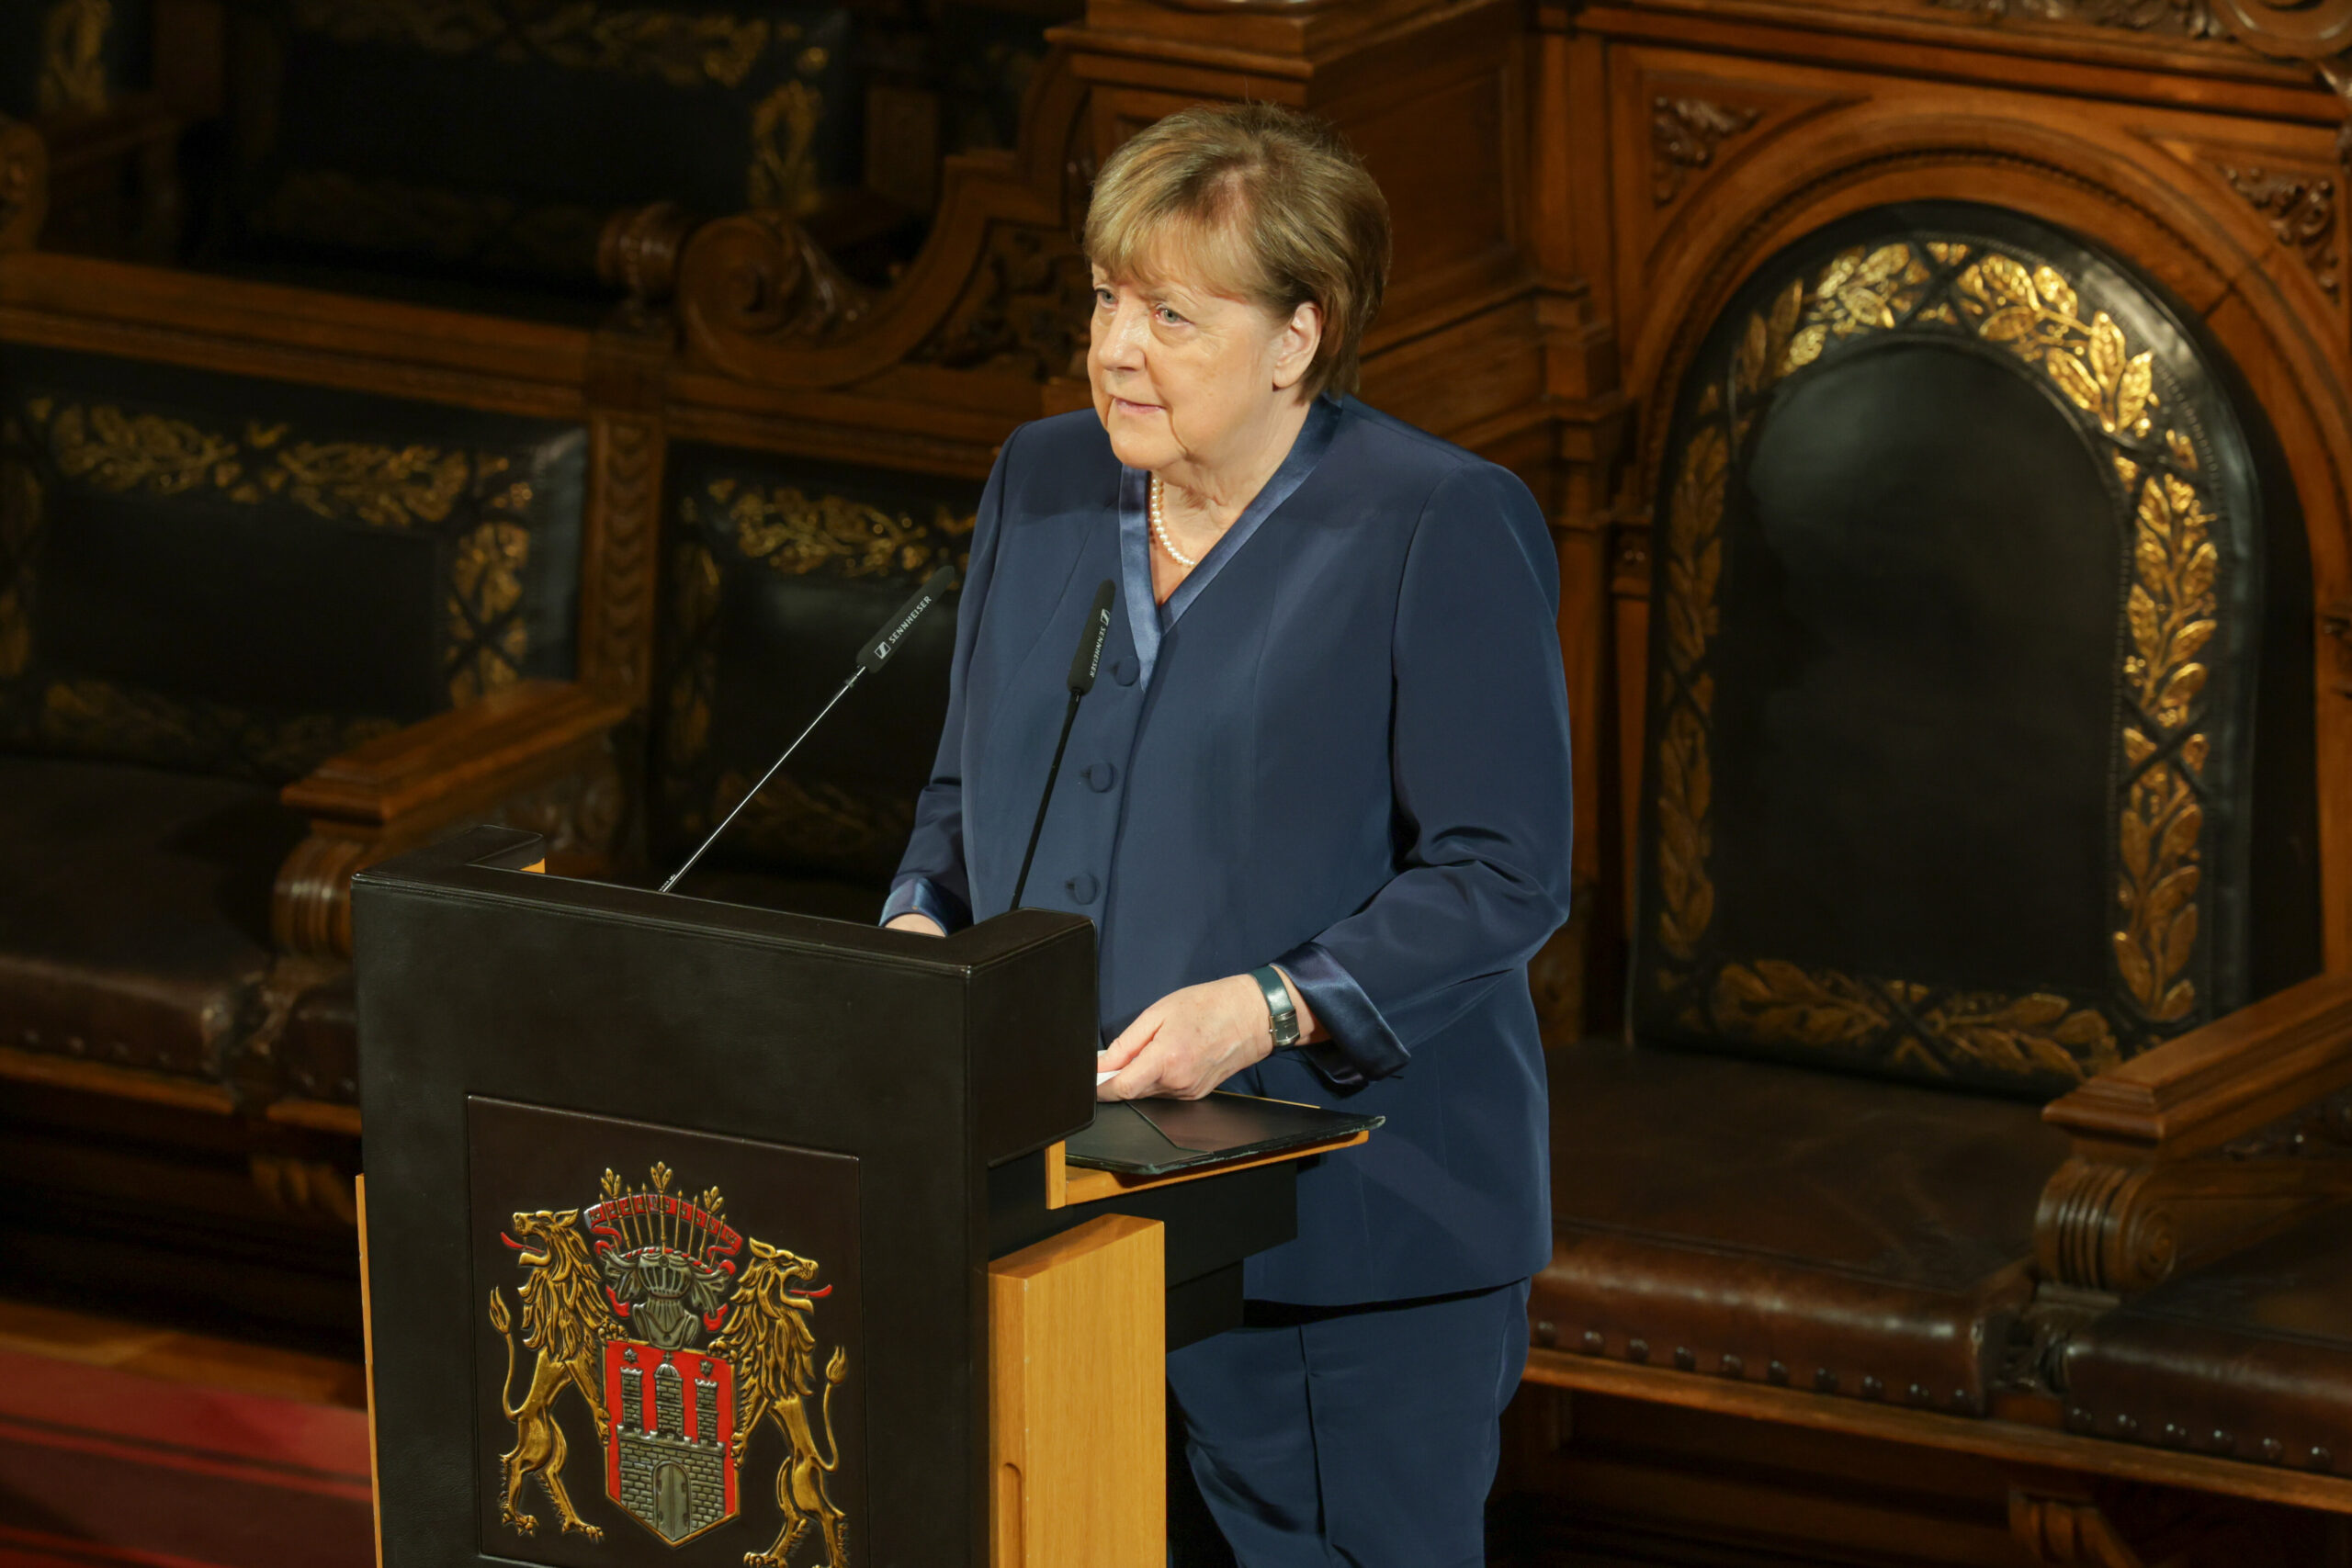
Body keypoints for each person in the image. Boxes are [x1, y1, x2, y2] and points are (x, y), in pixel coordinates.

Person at [881, 101, 1573, 1567]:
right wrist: (915, 927)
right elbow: (962, 795)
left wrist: (1266, 1007)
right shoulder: (1046, 476)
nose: (1116, 347)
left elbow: (1503, 873)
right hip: (1055, 1221)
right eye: (1105, 298)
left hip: (1340, 1236)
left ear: (1298, 336)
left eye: (1174, 314)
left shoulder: (1437, 522)